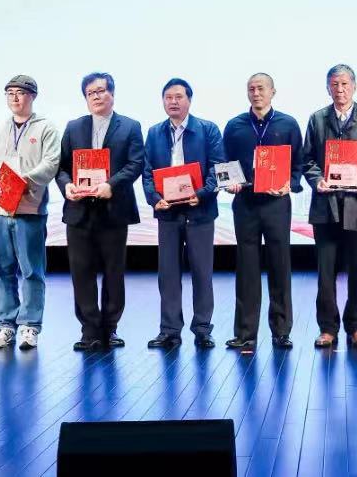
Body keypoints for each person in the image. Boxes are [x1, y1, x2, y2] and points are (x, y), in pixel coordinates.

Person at [303, 64, 357, 349]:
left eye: (344, 84)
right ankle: (327, 328)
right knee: (325, 272)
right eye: (334, 84)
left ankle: (356, 328)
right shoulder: (317, 119)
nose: (339, 90)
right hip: (326, 207)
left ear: (354, 86)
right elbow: (307, 159)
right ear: (328, 88)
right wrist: (317, 180)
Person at [57, 72, 145, 351]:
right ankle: (89, 330)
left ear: (112, 94)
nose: (95, 96)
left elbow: (136, 164)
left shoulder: (130, 126)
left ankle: (110, 328)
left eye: (100, 91)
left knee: (113, 271)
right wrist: (67, 185)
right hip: (79, 210)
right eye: (90, 93)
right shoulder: (74, 127)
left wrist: (111, 185)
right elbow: (61, 167)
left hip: (113, 209)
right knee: (81, 272)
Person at [221, 73, 303, 350]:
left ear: (272, 92)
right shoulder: (235, 126)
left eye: (261, 88)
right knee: (246, 268)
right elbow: (224, 162)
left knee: (280, 265)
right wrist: (229, 183)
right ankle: (245, 333)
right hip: (245, 203)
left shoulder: (288, 124)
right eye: (251, 89)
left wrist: (290, 184)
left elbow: (298, 163)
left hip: (276, 204)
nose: (256, 93)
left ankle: (281, 332)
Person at [142, 78, 225, 349]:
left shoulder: (207, 129)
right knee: (168, 274)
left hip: (199, 212)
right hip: (168, 213)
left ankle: (202, 329)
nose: (173, 102)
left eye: (178, 97)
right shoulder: (154, 132)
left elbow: (217, 168)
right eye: (168, 97)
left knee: (202, 273)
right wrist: (154, 199)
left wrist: (201, 194)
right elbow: (147, 171)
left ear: (189, 100)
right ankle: (169, 331)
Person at [0, 75, 60, 351]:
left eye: (21, 93)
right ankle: (5, 325)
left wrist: (25, 180)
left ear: (33, 96)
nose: (15, 97)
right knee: (1, 268)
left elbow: (51, 163)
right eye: (10, 93)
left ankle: (30, 326)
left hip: (30, 209)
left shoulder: (46, 127)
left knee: (32, 271)